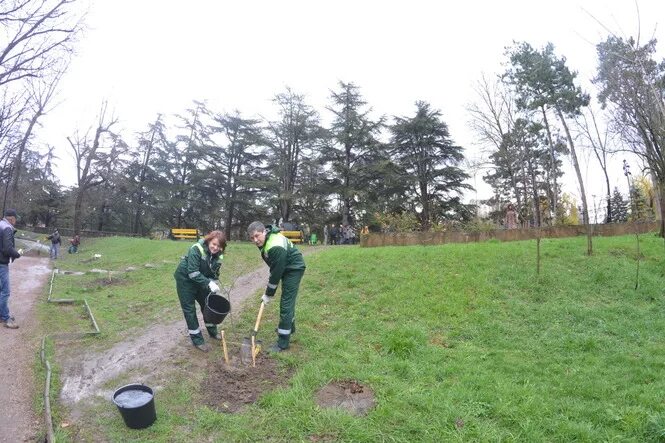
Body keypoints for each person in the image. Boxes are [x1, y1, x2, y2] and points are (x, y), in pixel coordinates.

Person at [247, 221, 306, 353]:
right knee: (287, 302)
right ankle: (290, 327)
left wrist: (268, 294)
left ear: (264, 231)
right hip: (286, 267)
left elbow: (275, 274)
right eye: (252, 238)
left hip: (293, 269)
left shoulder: (275, 246)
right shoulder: (268, 240)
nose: (255, 240)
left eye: (257, 236)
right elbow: (276, 269)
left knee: (286, 303)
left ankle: (283, 343)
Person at [173, 230, 226, 352]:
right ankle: (198, 340)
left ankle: (213, 332)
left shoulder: (219, 255)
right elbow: (192, 273)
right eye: (213, 244)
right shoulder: (196, 249)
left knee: (207, 304)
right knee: (190, 310)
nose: (215, 248)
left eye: (219, 246)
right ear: (208, 241)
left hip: (201, 280)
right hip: (185, 280)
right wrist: (208, 283)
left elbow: (214, 273)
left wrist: (213, 286)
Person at [0, 209, 22, 329]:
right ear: (11, 218)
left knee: (0, 290)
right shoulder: (7, 228)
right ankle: (5, 318)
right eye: (15, 218)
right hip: (1, 264)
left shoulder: (0, 225)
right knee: (5, 291)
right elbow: (7, 249)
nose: (16, 221)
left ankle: (2, 314)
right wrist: (17, 254)